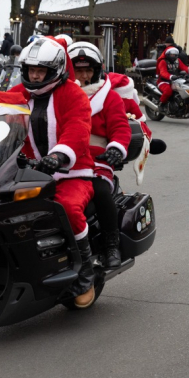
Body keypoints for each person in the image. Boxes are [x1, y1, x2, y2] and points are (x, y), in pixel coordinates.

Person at [9, 37, 97, 308]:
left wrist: (58, 156)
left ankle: (86, 274)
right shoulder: (17, 93)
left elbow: (77, 129)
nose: (35, 75)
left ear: (55, 69)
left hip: (72, 173)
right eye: (31, 69)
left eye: (41, 70)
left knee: (68, 209)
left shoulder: (73, 93)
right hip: (26, 173)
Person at [68, 41, 131, 269]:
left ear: (97, 70)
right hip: (62, 160)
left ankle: (110, 244)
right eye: (79, 70)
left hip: (97, 160)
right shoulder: (59, 94)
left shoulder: (109, 97)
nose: (84, 75)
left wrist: (115, 148)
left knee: (100, 191)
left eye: (88, 70)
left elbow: (121, 128)